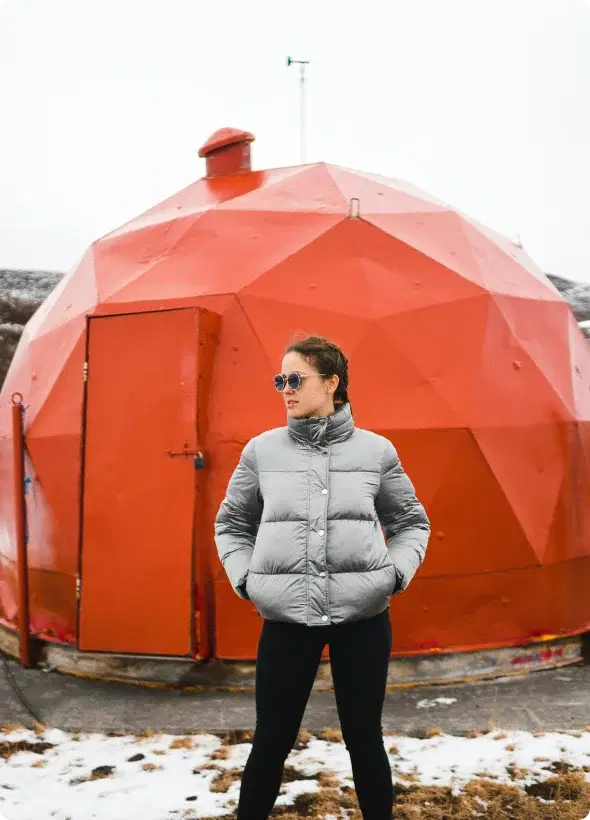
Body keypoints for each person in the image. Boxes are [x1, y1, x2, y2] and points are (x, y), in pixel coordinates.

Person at [214, 335, 430, 820]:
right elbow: (230, 523)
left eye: (296, 379)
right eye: (279, 380)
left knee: (364, 739)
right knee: (271, 739)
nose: (285, 389)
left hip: (363, 618)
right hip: (287, 619)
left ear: (332, 383)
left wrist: (394, 574)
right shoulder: (261, 451)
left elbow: (412, 522)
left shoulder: (376, 451)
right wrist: (247, 578)